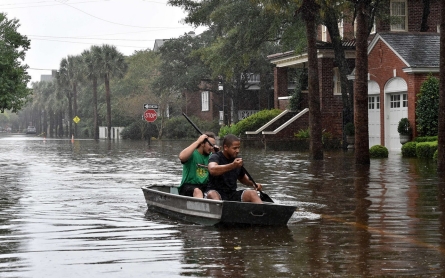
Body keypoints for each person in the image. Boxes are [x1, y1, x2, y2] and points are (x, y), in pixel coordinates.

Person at [206, 134, 263, 203]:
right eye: (235, 148)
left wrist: (254, 184)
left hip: (232, 194)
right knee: (212, 194)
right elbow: (212, 170)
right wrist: (233, 165)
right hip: (216, 192)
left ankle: (262, 212)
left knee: (252, 193)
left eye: (239, 148)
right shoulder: (215, 157)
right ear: (226, 147)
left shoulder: (238, 160)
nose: (237, 151)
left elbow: (243, 178)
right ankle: (220, 212)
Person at [178, 132, 217, 198]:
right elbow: (182, 157)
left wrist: (218, 154)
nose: (211, 148)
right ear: (202, 143)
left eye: (213, 145)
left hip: (205, 186)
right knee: (197, 191)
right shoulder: (192, 153)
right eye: (210, 145)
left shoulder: (212, 156)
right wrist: (198, 141)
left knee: (214, 193)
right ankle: (200, 207)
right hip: (188, 186)